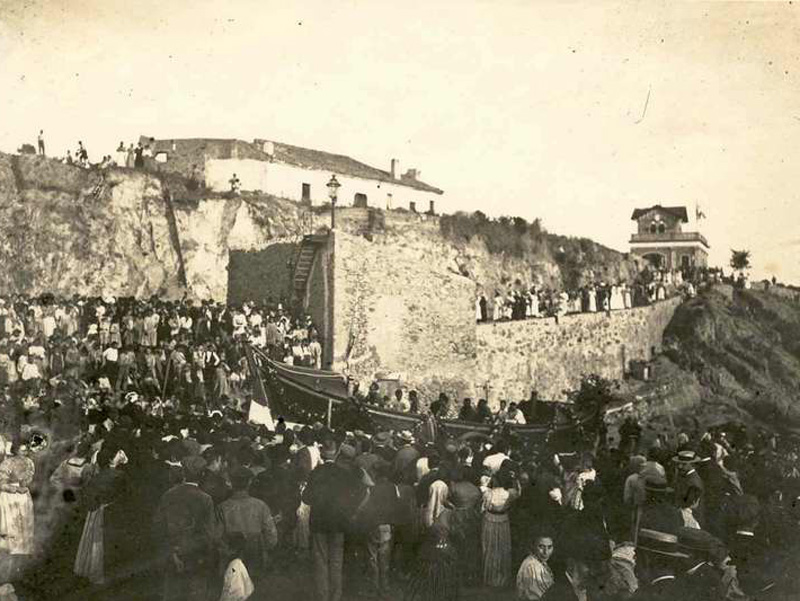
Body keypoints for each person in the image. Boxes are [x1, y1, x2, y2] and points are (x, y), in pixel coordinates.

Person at [302, 439, 368, 601]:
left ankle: (322, 596)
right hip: (339, 523)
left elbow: (306, 498)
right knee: (336, 562)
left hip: (319, 522)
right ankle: (335, 597)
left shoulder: (317, 472)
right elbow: (363, 493)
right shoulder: (347, 475)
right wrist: (352, 512)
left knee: (321, 562)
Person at [153, 455, 220, 601]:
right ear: (202, 475)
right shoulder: (205, 499)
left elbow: (158, 526)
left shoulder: (168, 495)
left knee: (172, 592)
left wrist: (173, 552)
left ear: (183, 473)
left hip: (172, 553)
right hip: (196, 556)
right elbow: (209, 534)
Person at [218, 466, 278, 589]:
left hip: (232, 558)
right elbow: (271, 536)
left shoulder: (222, 507)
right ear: (249, 482)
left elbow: (218, 537)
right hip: (256, 557)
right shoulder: (260, 506)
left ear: (231, 483)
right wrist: (264, 548)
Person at [481, 466, 520, 587]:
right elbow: (518, 491)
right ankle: (502, 577)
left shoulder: (488, 493)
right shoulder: (510, 494)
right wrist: (514, 479)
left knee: (490, 547)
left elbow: (483, 507)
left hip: (490, 520)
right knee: (502, 547)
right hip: (503, 520)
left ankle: (490, 577)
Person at [516, 533, 555, 600]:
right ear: (533, 546)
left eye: (549, 547)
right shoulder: (532, 566)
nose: (546, 552)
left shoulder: (538, 561)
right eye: (541, 547)